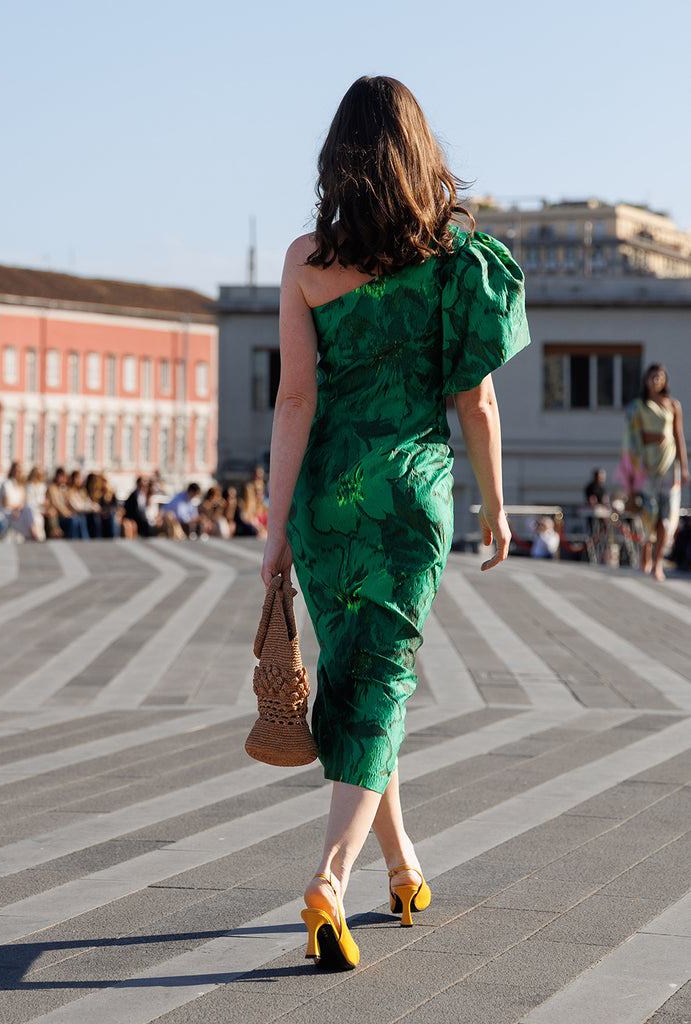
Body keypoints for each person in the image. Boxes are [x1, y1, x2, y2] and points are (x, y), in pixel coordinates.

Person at [260, 76, 529, 970]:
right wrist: (495, 507)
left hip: (327, 500)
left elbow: (294, 400)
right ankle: (329, 881)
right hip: (411, 495)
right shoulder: (457, 260)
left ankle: (403, 865)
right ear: (419, 154)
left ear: (337, 156)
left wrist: (274, 528)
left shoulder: (306, 259)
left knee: (364, 675)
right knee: (375, 679)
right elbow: (475, 402)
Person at [620, 364, 689, 581]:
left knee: (666, 516)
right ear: (646, 380)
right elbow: (631, 438)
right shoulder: (638, 406)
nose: (655, 380)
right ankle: (646, 552)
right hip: (647, 464)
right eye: (652, 376)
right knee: (648, 512)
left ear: (665, 380)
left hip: (668, 463)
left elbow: (679, 435)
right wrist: (632, 469)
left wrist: (684, 466)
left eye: (659, 377)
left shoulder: (673, 405)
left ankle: (658, 563)